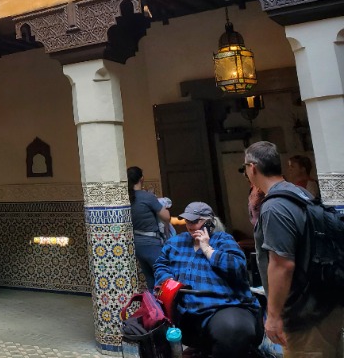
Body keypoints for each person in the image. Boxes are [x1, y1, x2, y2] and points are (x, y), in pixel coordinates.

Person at [245, 141, 342, 357]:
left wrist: (273, 316)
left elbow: (282, 264)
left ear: (253, 167)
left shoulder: (274, 206)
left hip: (305, 315)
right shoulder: (298, 193)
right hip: (325, 301)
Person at [154, 201, 262, 358]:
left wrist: (208, 249)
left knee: (232, 331)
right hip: (186, 309)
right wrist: (168, 281)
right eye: (188, 221)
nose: (190, 225)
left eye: (196, 221)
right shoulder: (176, 242)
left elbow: (238, 267)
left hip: (221, 305)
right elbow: (161, 265)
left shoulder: (223, 240)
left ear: (210, 222)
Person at [127, 166, 170, 289]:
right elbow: (166, 217)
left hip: (137, 245)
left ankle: (153, 307)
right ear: (142, 179)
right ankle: (164, 307)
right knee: (164, 279)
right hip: (151, 244)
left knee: (150, 281)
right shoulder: (147, 196)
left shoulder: (127, 197)